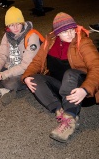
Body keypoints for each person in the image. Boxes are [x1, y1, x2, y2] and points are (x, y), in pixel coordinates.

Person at [22, 12, 99, 143]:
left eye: (72, 30)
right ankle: (60, 111)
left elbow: (96, 66)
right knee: (34, 78)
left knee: (70, 73)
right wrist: (26, 77)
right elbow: (36, 62)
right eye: (65, 32)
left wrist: (85, 89)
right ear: (57, 33)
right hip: (61, 90)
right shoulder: (50, 41)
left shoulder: (83, 41)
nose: (70, 34)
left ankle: (70, 118)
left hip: (82, 92)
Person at [0, 6, 43, 106]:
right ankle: (1, 89)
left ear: (22, 23)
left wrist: (2, 75)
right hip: (10, 67)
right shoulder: (7, 35)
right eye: (12, 25)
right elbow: (2, 55)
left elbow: (26, 66)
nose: (15, 28)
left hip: (26, 71)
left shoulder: (32, 36)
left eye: (18, 24)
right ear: (7, 26)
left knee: (10, 83)